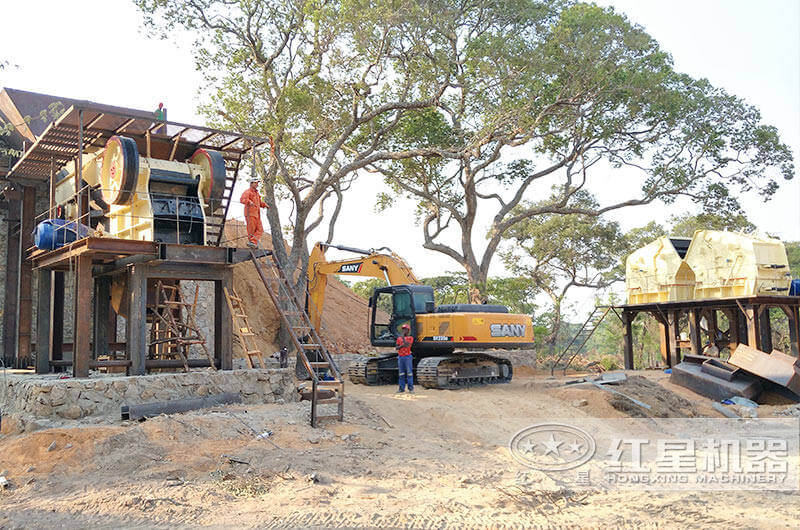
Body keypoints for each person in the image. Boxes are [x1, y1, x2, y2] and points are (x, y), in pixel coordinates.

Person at [240, 177, 268, 248]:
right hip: (250, 214)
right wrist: (249, 202)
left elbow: (259, 202)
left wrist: (264, 205)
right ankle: (252, 243)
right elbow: (242, 199)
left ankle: (253, 242)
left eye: (257, 183)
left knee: (260, 229)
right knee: (251, 230)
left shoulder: (257, 194)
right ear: (251, 183)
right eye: (256, 183)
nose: (257, 184)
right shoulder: (247, 192)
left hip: (257, 214)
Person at [396, 323, 414, 393]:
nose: (404, 331)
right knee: (401, 373)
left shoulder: (410, 338)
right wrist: (402, 345)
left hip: (407, 357)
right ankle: (401, 388)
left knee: (409, 373)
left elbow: (407, 345)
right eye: (403, 329)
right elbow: (397, 347)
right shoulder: (398, 338)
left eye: (405, 329)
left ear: (408, 330)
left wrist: (403, 340)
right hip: (400, 357)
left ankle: (411, 388)